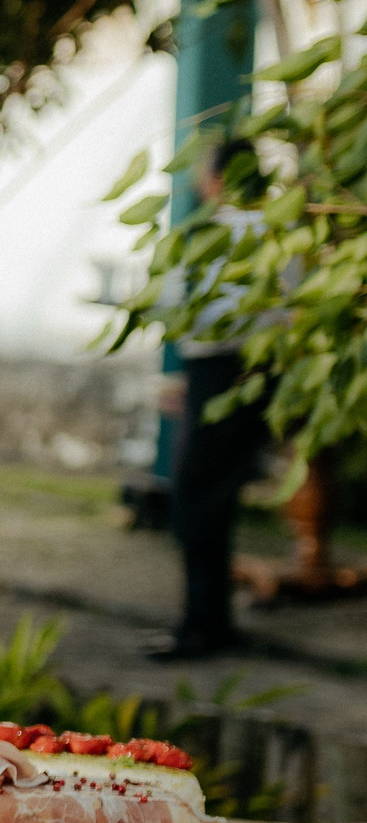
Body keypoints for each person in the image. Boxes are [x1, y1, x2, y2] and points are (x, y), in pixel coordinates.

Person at [155, 138, 275, 662]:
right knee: (220, 497)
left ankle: (199, 625)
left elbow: (180, 307)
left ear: (218, 178)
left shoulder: (212, 232)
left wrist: (191, 370)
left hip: (217, 368)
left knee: (194, 497)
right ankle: (215, 621)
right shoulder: (280, 232)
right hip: (261, 371)